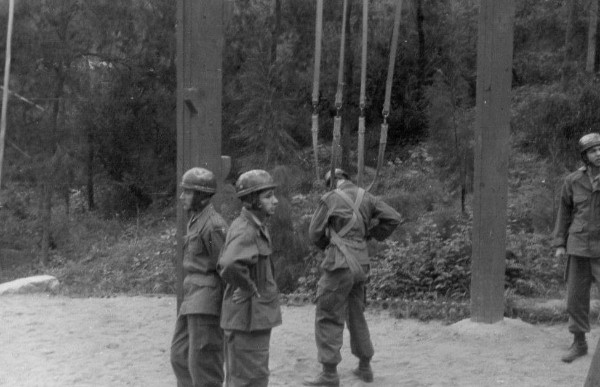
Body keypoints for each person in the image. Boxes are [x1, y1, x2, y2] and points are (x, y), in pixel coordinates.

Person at [303, 168, 402, 386]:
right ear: (346, 179)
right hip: (361, 265)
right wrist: (371, 234)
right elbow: (394, 218)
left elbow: (314, 234)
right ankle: (365, 367)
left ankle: (329, 374)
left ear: (331, 183)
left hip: (338, 264)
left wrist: (329, 246)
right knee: (356, 313)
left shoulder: (329, 198)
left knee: (327, 314)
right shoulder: (367, 196)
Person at [218, 169, 281, 387]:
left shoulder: (254, 225)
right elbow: (228, 264)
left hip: (253, 317)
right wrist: (247, 287)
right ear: (253, 201)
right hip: (248, 319)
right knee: (250, 379)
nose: (275, 201)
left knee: (247, 377)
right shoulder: (247, 230)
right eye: (268, 196)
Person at [170, 167, 229, 387]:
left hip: (206, 303)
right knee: (180, 356)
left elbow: (225, 265)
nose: (182, 196)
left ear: (202, 196)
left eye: (187, 192)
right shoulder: (197, 220)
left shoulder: (213, 225)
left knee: (204, 365)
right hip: (192, 299)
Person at [554, 132, 600, 363]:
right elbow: (564, 213)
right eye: (593, 151)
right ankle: (579, 343)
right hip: (579, 246)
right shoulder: (573, 180)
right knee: (575, 298)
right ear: (585, 156)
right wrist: (560, 243)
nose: (598, 154)